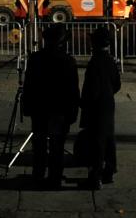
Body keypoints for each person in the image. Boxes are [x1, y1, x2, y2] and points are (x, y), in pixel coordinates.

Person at [22, 25, 79, 189]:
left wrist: (27, 105)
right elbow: (73, 89)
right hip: (59, 109)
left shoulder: (35, 58)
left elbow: (29, 84)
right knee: (57, 147)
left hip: (40, 107)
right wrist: (73, 110)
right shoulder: (68, 60)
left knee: (39, 145)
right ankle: (55, 178)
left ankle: (38, 175)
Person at [79, 26, 120, 190]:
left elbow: (92, 88)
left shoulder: (95, 62)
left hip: (96, 107)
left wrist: (85, 103)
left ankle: (95, 178)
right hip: (108, 104)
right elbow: (117, 84)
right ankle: (109, 172)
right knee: (109, 139)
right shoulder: (110, 60)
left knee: (97, 142)